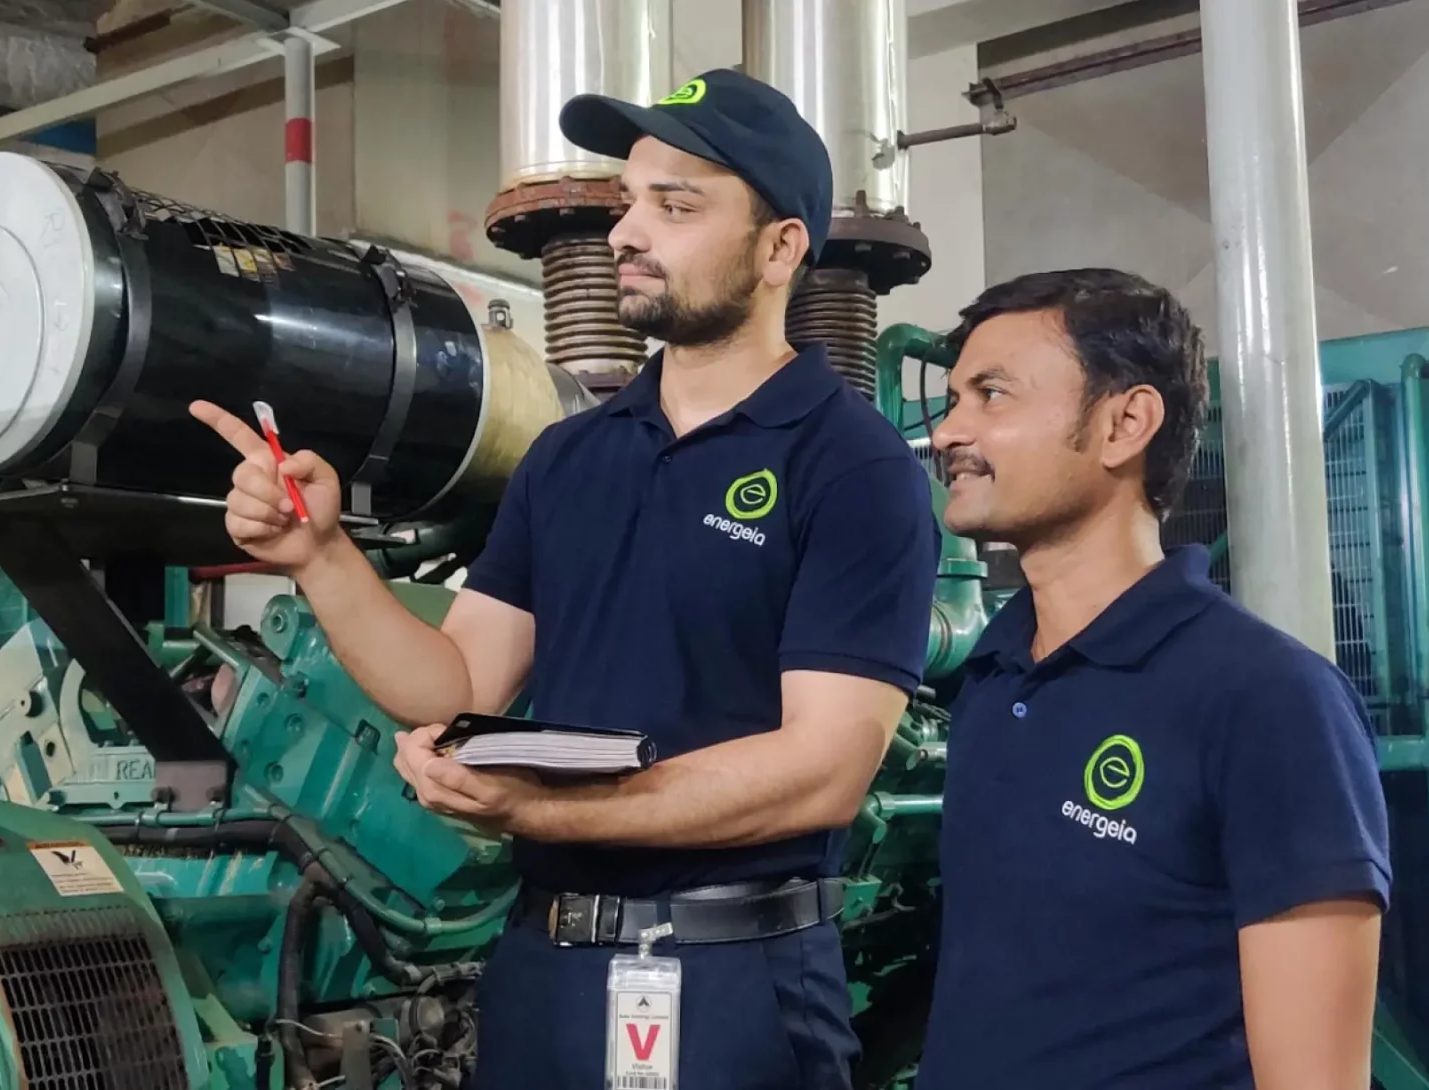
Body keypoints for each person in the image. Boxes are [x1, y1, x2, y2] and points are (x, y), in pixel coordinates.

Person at [190, 68, 938, 1090]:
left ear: (780, 248)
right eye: (628, 200)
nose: (627, 231)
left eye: (675, 206)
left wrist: (540, 812)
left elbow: (823, 767)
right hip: (545, 969)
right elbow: (456, 686)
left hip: (732, 977)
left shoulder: (849, 466)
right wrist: (321, 557)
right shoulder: (569, 457)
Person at [912, 269, 1390, 1090]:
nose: (951, 432)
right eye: (954, 400)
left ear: (1124, 423)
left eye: (992, 396)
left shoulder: (1269, 701)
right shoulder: (993, 675)